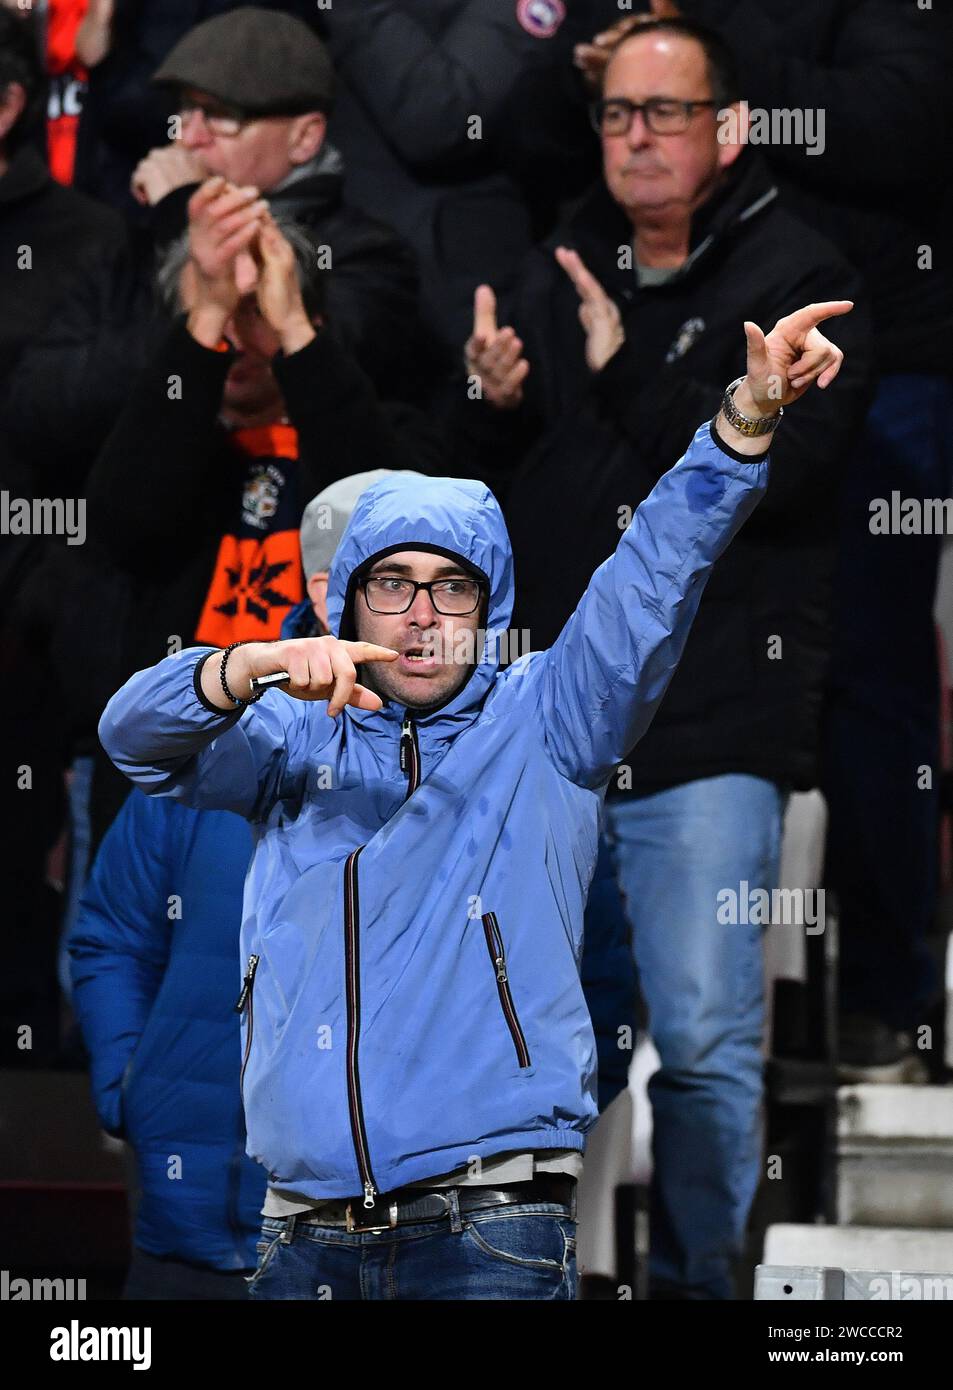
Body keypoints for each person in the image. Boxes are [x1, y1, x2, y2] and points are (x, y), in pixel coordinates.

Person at [99, 289, 849, 1300]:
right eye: (390, 583)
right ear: (346, 599)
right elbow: (129, 737)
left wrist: (742, 423)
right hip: (296, 1232)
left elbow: (654, 567)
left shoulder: (549, 717)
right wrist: (251, 666)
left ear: (486, 604)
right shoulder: (284, 733)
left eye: (449, 586)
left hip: (486, 1229)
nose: (418, 614)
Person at [459, 17, 870, 1298]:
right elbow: (511, 502)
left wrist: (631, 370)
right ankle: (514, 1279)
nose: (635, 138)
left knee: (697, 1045)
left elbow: (782, 484)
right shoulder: (555, 262)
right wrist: (496, 402)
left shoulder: (799, 279)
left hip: (708, 738)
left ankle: (707, 1291)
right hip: (552, 744)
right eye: (617, 114)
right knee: (530, 1046)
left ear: (730, 128)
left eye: (666, 112)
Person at [573, 0, 953, 1081]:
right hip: (674, 307)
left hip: (873, 342)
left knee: (865, 685)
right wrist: (627, 69)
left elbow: (903, 119)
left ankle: (880, 997)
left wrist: (712, 66)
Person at [68, 468, 394, 1300]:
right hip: (191, 1225)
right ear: (326, 588)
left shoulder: (484, 751)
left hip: (399, 1241)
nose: (421, 614)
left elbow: (580, 972)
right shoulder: (212, 739)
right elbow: (110, 935)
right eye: (391, 581)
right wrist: (130, 1090)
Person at [80, 176, 441, 849]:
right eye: (217, 313)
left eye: (256, 311)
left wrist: (294, 330)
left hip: (328, 767)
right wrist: (206, 318)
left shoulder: (378, 432)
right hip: (182, 766)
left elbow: (389, 533)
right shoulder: (166, 440)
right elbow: (126, 528)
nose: (238, 339)